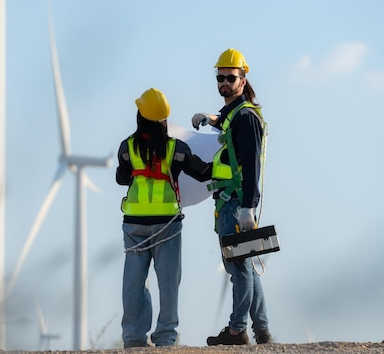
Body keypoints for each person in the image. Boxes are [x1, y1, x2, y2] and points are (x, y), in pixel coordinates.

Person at [116, 87, 212, 348]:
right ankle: (166, 338)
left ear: (140, 116)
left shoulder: (127, 148)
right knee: (169, 283)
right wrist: (227, 160)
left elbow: (122, 177)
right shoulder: (176, 149)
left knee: (133, 285)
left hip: (134, 225)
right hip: (167, 225)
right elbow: (203, 172)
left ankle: (134, 338)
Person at [191, 48, 273, 345]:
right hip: (232, 200)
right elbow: (227, 118)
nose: (224, 82)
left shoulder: (246, 118)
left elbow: (251, 164)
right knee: (247, 264)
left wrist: (248, 207)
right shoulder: (236, 113)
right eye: (220, 77)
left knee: (238, 267)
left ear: (243, 79)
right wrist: (210, 118)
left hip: (236, 202)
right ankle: (261, 329)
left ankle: (237, 330)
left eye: (230, 78)